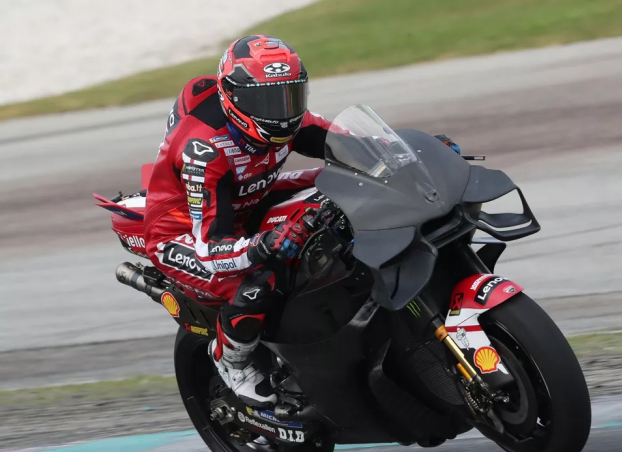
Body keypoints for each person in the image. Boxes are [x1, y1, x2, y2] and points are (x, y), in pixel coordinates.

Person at [144, 34, 460, 407]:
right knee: (258, 280)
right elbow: (211, 247)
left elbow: (356, 148)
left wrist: (412, 156)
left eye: (289, 96)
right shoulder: (204, 152)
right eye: (268, 101)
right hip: (182, 231)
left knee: (343, 187)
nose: (282, 112)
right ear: (235, 98)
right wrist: (261, 245)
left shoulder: (289, 121)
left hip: (252, 196)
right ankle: (232, 361)